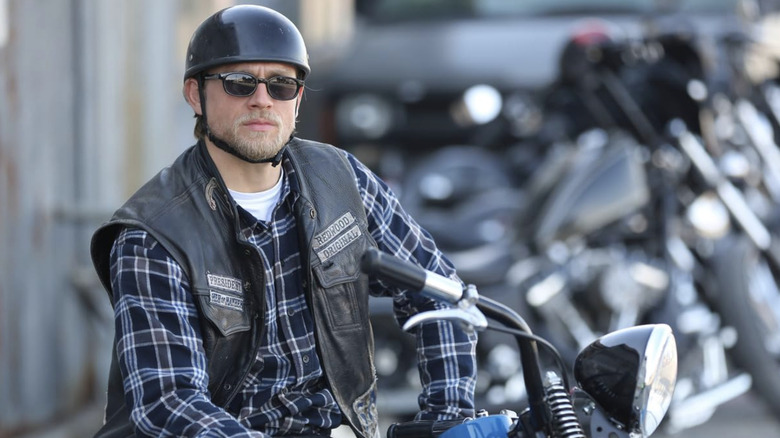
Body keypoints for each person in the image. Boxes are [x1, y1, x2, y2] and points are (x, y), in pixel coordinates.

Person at [90, 5, 477, 438]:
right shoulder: (154, 234)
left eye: (281, 84)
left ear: (298, 99)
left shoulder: (342, 180)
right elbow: (170, 401)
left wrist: (448, 418)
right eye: (239, 83)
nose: (262, 99)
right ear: (195, 94)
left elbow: (439, 291)